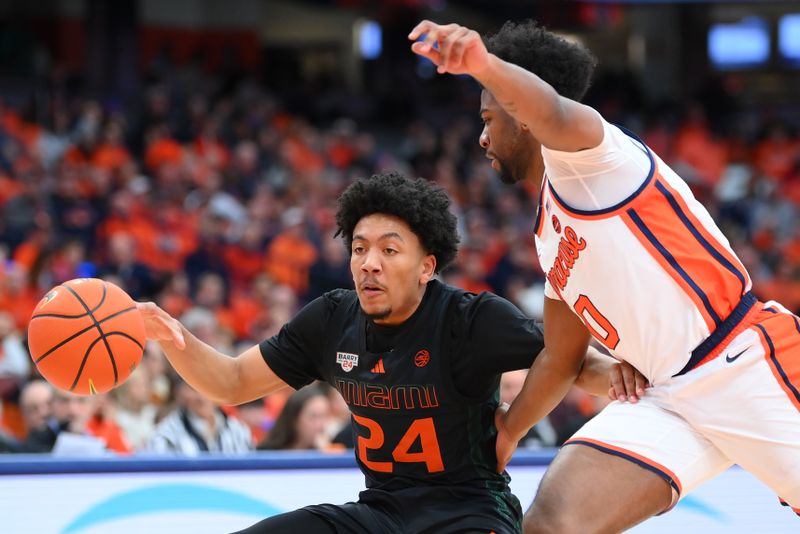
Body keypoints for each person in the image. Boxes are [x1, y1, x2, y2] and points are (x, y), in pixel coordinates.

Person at [408, 19, 800, 532]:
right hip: (665, 398)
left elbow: (549, 109)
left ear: (520, 115)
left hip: (743, 366)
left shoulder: (597, 159)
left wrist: (481, 63)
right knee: (553, 522)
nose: (482, 136)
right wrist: (507, 429)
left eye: (488, 116)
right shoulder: (549, 230)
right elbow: (561, 356)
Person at [138, 170, 645, 533]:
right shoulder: (331, 319)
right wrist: (169, 335)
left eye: (388, 249)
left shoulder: (469, 319)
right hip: (381, 512)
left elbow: (572, 360)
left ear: (427, 265)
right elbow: (229, 382)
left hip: (469, 513)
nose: (369, 263)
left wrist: (631, 378)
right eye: (359, 248)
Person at [257, 384, 331, 451]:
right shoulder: (266, 453)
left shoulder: (325, 452)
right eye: (313, 417)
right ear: (294, 419)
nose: (320, 425)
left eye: (324, 416)